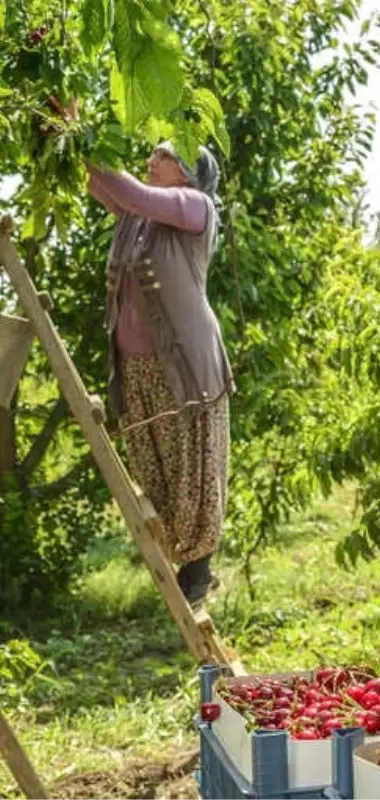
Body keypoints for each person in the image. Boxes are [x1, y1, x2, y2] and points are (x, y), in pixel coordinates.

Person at [85, 142, 234, 606]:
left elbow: (128, 190)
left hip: (183, 369)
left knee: (190, 469)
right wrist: (60, 131)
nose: (151, 160)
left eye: (162, 155)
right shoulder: (138, 218)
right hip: (137, 369)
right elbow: (98, 182)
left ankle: (197, 569)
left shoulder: (195, 208)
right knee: (154, 467)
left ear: (188, 171)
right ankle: (186, 568)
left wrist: (85, 140)